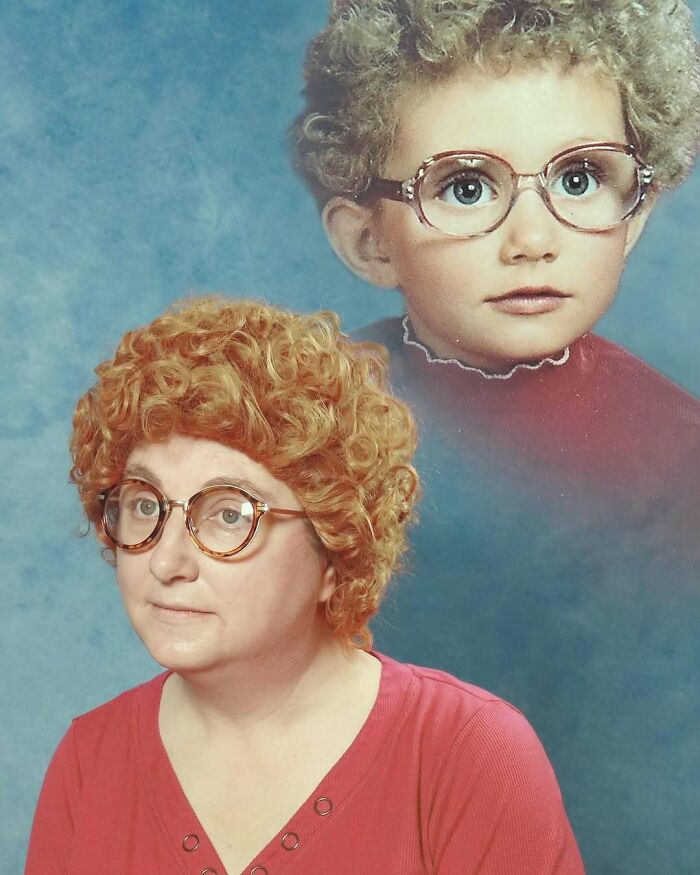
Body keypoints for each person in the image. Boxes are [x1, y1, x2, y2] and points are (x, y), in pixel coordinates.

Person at [289, 2, 700, 871]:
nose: (534, 238)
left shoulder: (678, 447)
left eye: (581, 178)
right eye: (466, 187)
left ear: (638, 213)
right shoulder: (299, 418)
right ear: (369, 240)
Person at [25, 297, 584, 874]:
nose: (167, 561)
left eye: (229, 514)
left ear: (334, 544)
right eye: (144, 505)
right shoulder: (90, 760)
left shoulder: (469, 754)